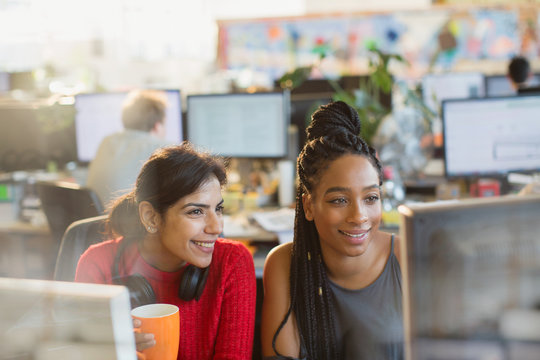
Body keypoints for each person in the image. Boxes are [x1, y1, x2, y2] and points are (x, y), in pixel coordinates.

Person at [76, 143, 257, 360]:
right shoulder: (98, 264)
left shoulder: (232, 262)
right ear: (151, 217)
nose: (217, 227)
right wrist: (114, 353)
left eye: (218, 209)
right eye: (196, 211)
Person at [261, 101, 403, 360]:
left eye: (371, 198)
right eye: (339, 200)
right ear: (309, 206)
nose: (359, 216)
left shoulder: (407, 257)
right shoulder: (284, 264)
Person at [86, 89, 172, 207]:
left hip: (99, 221)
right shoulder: (162, 148)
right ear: (157, 126)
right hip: (129, 222)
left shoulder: (107, 141)